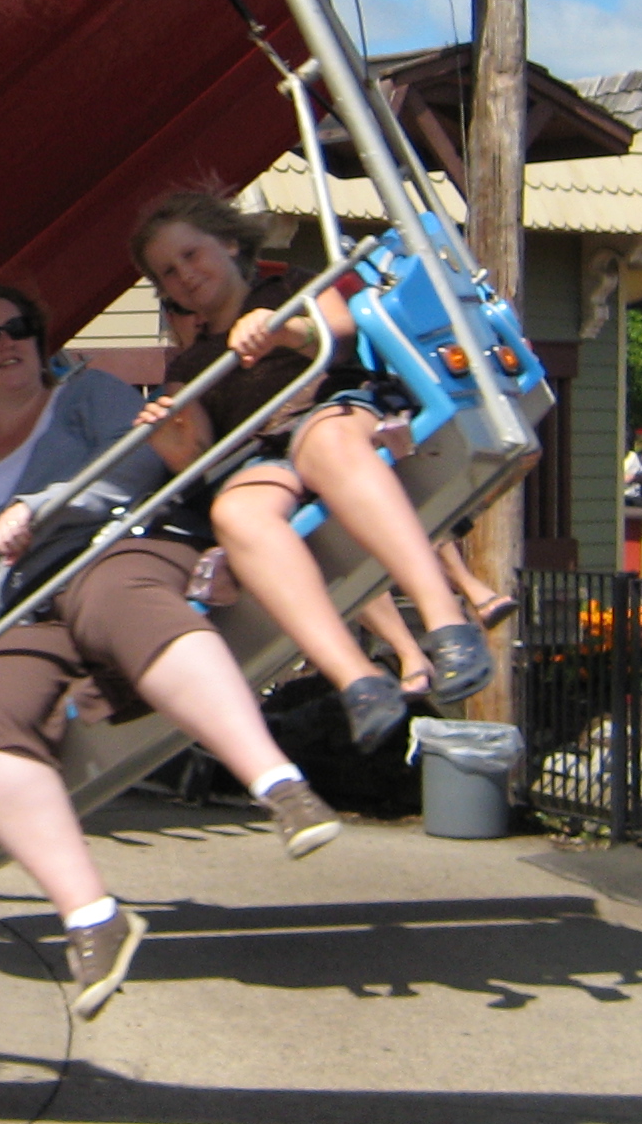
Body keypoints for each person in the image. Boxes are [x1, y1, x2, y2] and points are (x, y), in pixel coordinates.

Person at [0, 281, 340, 1020]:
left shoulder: (88, 397)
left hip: (117, 548)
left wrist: (43, 506)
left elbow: (140, 466)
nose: (7, 343)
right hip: (28, 611)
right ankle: (92, 918)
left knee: (118, 603)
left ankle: (279, 786)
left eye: (20, 328)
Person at [133, 192, 495, 739]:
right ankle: (358, 680)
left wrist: (282, 331)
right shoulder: (192, 362)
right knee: (235, 512)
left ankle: (447, 623)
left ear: (228, 243)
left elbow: (338, 334)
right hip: (266, 452)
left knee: (323, 445)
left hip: (332, 409)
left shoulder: (291, 290)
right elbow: (198, 454)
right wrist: (168, 435)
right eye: (167, 271)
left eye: (190, 255)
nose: (184, 275)